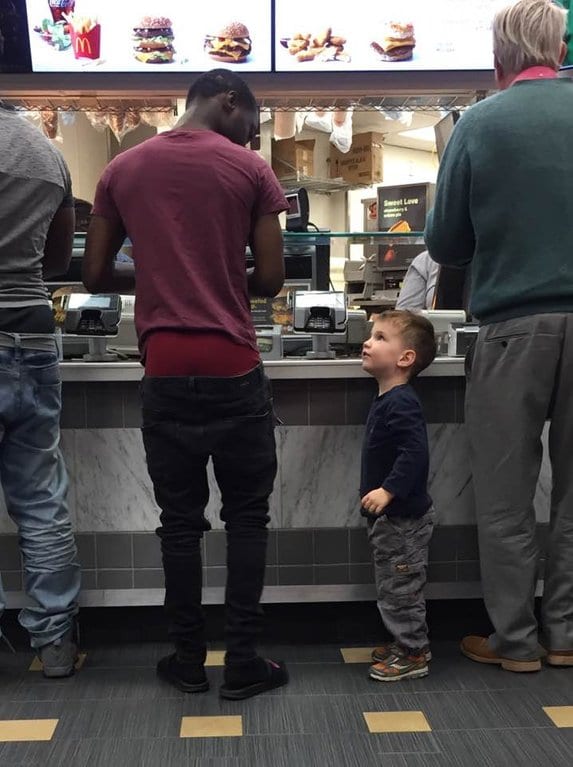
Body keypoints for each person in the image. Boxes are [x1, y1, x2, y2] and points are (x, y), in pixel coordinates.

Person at [83, 70, 289, 700]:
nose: (251, 137)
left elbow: (94, 272)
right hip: (233, 365)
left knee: (179, 522)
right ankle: (244, 662)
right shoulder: (251, 171)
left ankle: (188, 660)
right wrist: (220, 275)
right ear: (229, 100)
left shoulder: (121, 169)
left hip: (165, 369)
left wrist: (159, 277)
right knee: (247, 517)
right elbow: (272, 280)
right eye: (251, 122)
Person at [425, 0, 573, 672]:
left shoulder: (480, 123)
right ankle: (565, 634)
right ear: (560, 51)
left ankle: (515, 641)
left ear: (497, 61)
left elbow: (445, 243)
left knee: (506, 495)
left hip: (512, 329)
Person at [0, 100, 80, 677]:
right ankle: (55, 646)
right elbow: (57, 258)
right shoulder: (45, 152)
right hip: (30, 332)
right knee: (40, 499)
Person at [360, 310, 437, 681]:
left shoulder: (401, 401)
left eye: (380, 338)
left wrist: (388, 490)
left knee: (401, 588)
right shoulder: (389, 398)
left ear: (405, 358)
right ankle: (406, 642)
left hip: (403, 520)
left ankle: (413, 652)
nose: (367, 342)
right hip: (393, 521)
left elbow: (414, 453)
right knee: (394, 584)